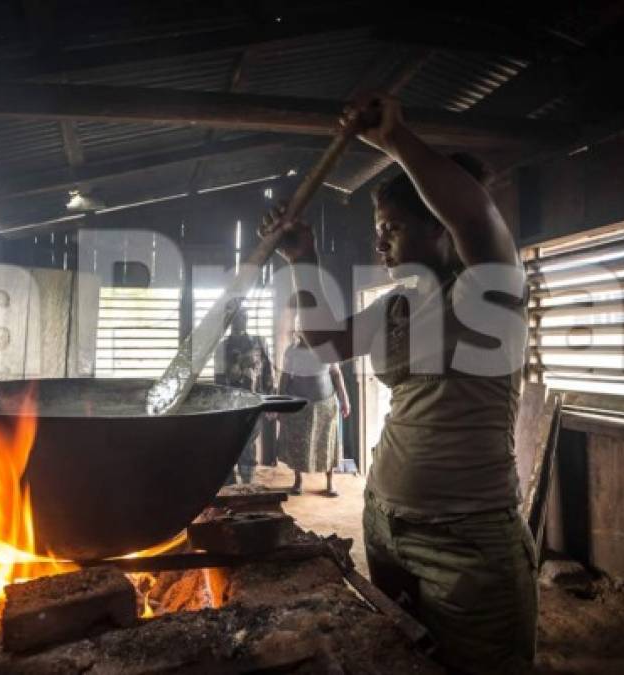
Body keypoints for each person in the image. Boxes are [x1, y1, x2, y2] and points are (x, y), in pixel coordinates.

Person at [258, 94, 535, 674]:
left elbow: (476, 216)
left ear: (439, 230)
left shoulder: (490, 291)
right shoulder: (399, 306)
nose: (380, 243)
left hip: (466, 540)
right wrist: (301, 260)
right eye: (378, 230)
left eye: (392, 228)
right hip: (384, 522)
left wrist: (395, 141)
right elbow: (326, 343)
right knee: (402, 660)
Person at [276, 324, 350, 497]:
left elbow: (336, 374)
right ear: (300, 332)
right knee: (298, 442)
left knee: (328, 443)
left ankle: (330, 482)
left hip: (325, 404)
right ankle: (298, 480)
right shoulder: (292, 351)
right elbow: (285, 377)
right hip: (299, 404)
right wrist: (280, 402)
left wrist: (344, 399)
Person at [214, 308, 273, 484]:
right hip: (230, 403)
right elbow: (218, 379)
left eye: (244, 316)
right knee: (230, 441)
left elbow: (269, 372)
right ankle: (230, 481)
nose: (241, 320)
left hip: (254, 400)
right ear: (229, 320)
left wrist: (271, 401)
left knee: (247, 441)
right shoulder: (222, 347)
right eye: (236, 317)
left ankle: (247, 481)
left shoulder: (259, 342)